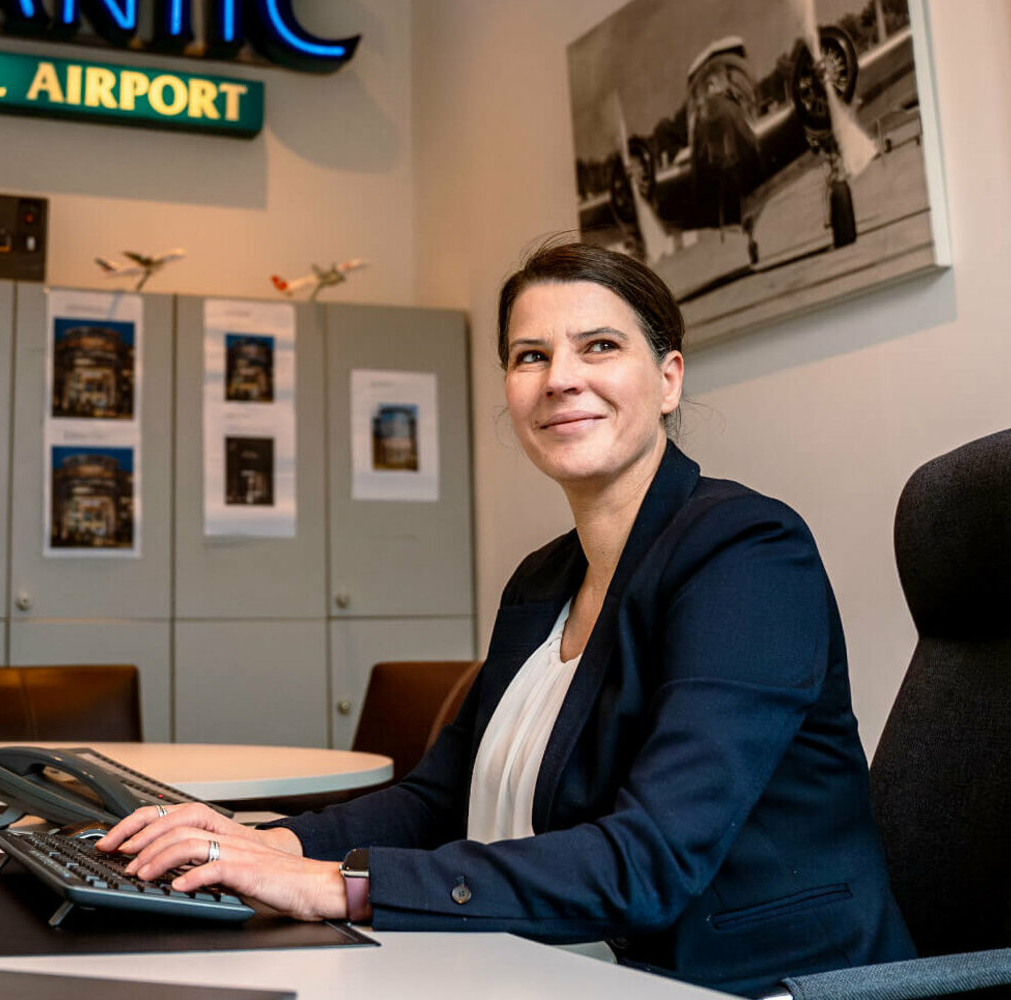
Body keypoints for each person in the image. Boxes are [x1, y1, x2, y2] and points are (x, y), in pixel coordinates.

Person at [97, 241, 916, 996]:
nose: (561, 377)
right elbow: (435, 800)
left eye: (599, 346)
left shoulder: (745, 553)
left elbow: (651, 860)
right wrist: (265, 843)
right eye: (531, 356)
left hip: (736, 982)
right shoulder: (544, 578)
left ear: (668, 379)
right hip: (535, 963)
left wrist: (338, 885)